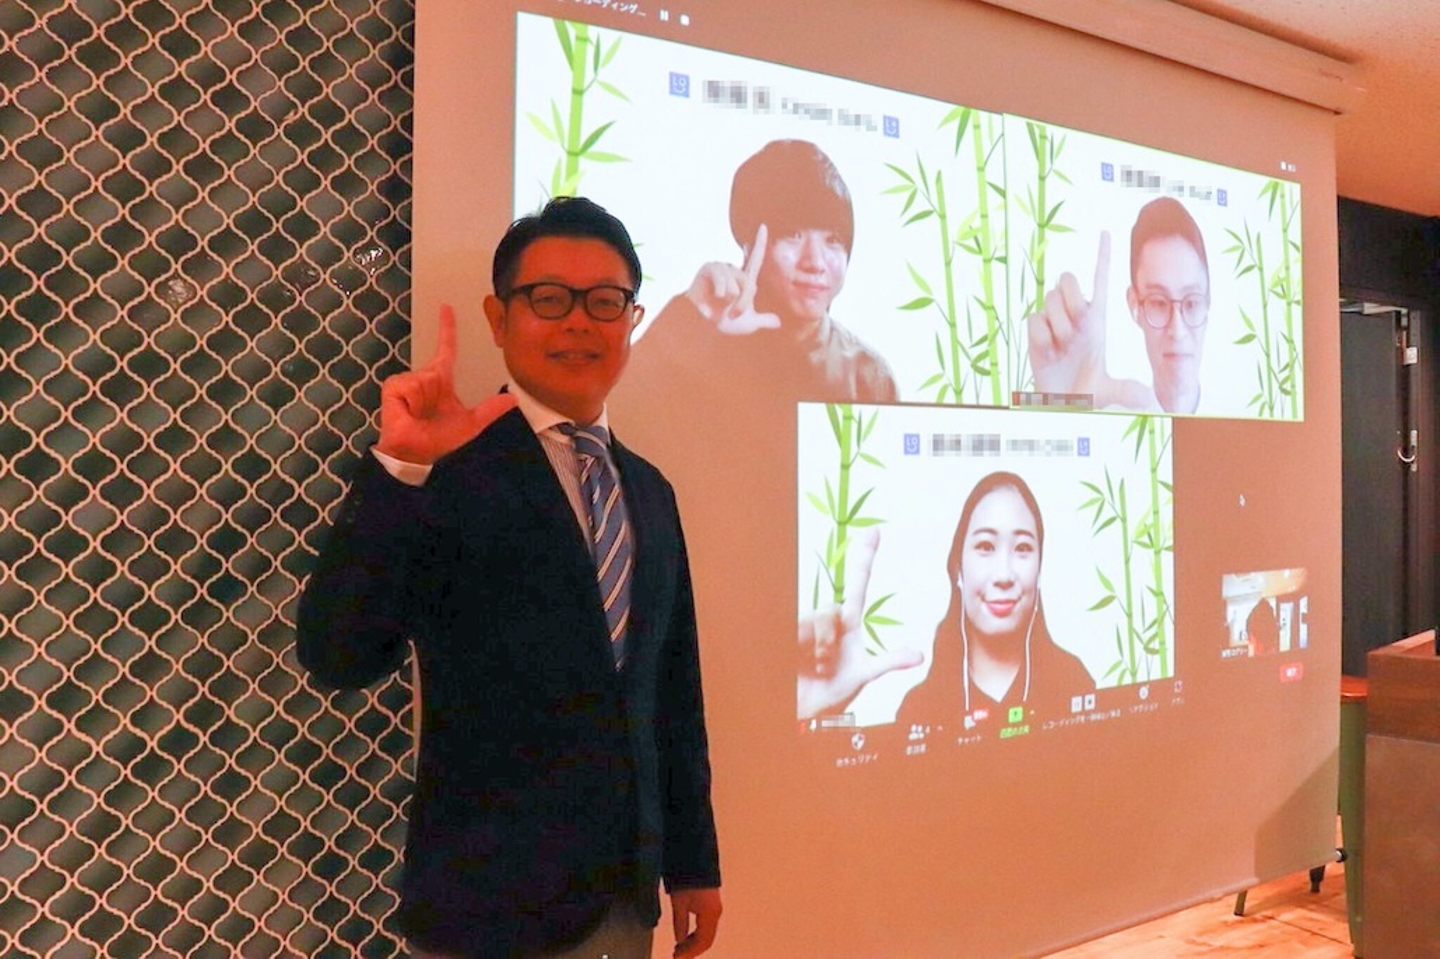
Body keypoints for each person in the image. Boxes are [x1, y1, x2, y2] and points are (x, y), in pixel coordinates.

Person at [296, 197, 721, 959]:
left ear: (632, 319)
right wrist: (401, 468)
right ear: (499, 319)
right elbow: (339, 655)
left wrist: (693, 864)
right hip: (485, 903)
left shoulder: (650, 490)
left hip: (623, 898)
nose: (579, 322)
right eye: (549, 298)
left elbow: (671, 690)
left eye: (606, 301)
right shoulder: (445, 468)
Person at [626, 138, 898, 403]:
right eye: (793, 235)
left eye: (833, 240)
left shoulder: (868, 376)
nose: (815, 262)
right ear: (749, 242)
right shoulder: (694, 347)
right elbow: (618, 410)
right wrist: (692, 314)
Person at [897, 471, 1093, 729]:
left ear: (1039, 570)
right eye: (986, 547)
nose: (1004, 575)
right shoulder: (920, 709)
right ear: (958, 568)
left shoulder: (1073, 685)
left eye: (1022, 548)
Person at [1027, 196, 1211, 414]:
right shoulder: (1107, 414)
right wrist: (1055, 408)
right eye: (1159, 303)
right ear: (1135, 305)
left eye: (1191, 304)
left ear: (1208, 302)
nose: (1177, 331)